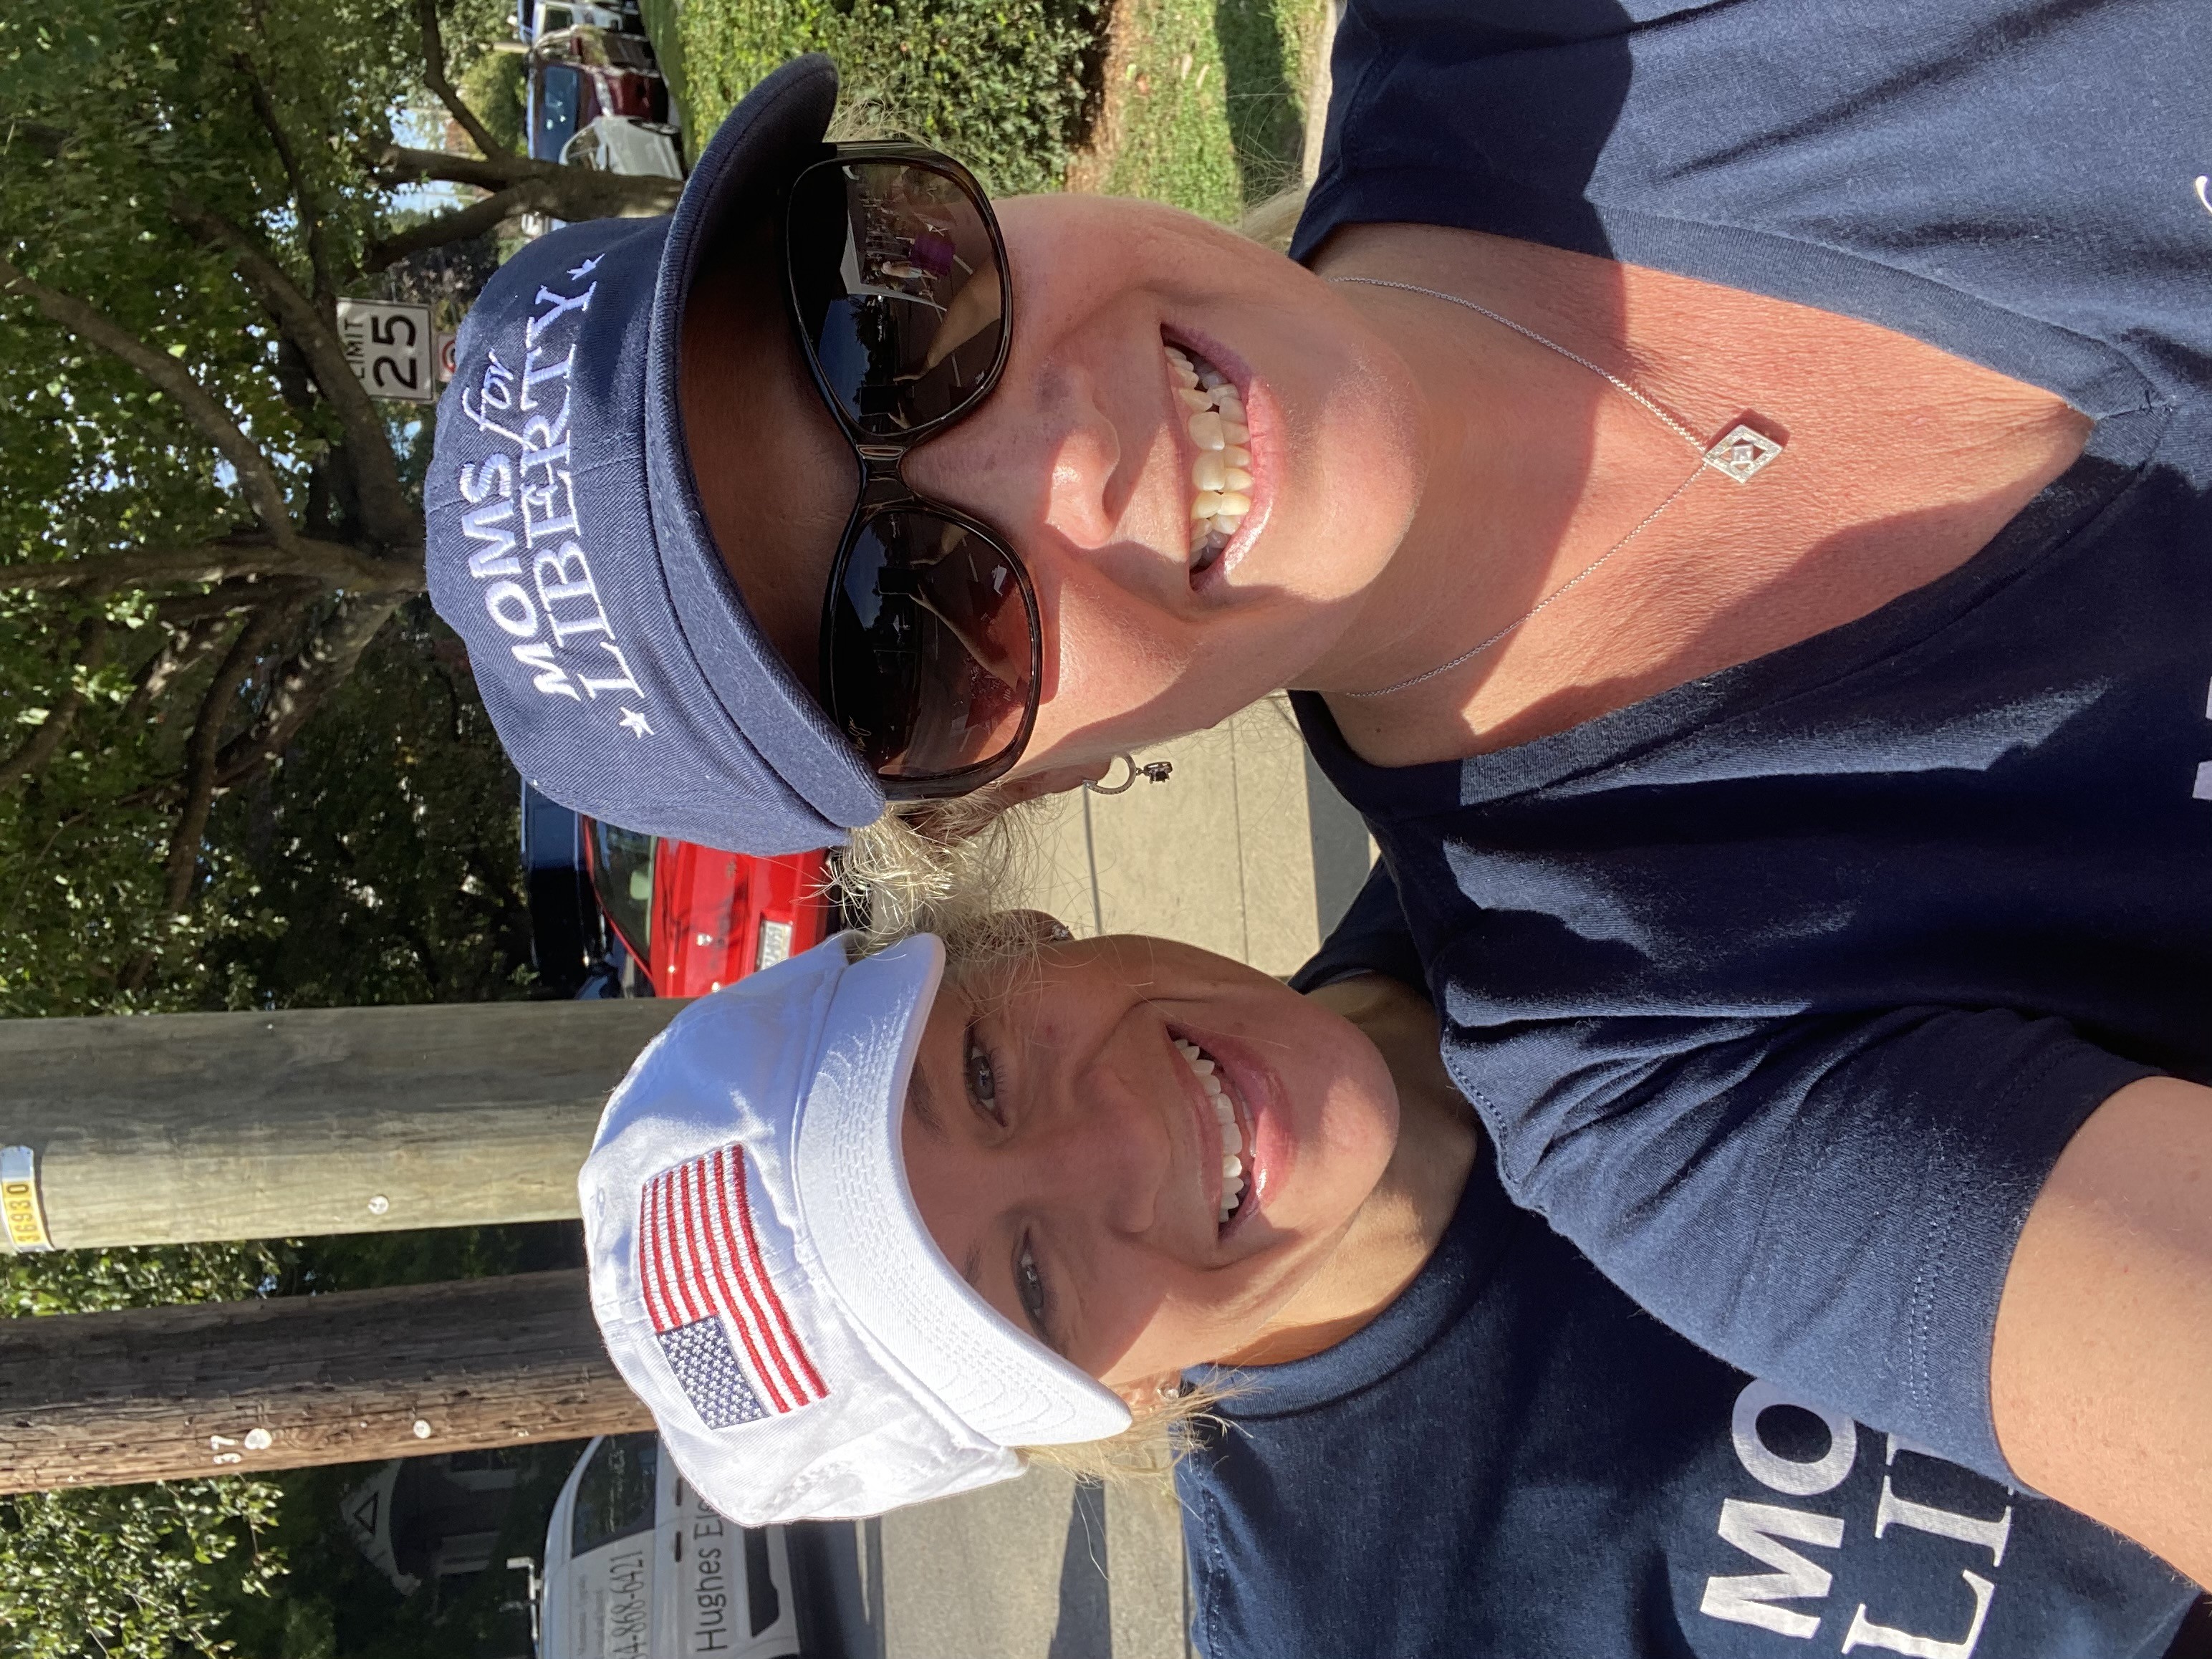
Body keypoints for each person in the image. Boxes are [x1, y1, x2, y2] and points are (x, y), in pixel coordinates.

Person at [433, 0, 2212, 1570]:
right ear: (1017, 793)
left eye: (874, 315)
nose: (1061, 451)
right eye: (907, 626)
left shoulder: (1556, 36)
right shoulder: (1671, 1073)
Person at [577, 901, 2209, 1655]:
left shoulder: (1550, 809)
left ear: (1010, 938)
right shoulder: (1362, 1630)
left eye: (982, 1074)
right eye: (1027, 1284)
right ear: (1101, 1406)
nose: (1119, 1138)